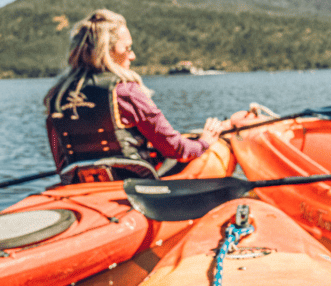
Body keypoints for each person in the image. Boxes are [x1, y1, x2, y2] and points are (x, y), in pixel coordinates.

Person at [44, 9, 221, 183]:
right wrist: (205, 141)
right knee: (212, 151)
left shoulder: (56, 97)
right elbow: (176, 150)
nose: (133, 56)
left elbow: (61, 164)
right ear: (107, 51)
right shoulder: (125, 91)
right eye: (127, 48)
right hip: (133, 184)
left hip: (80, 184)